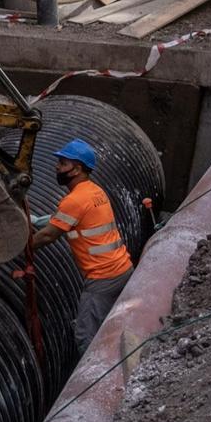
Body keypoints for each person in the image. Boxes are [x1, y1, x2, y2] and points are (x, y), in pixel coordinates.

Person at [28, 139, 133, 349]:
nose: (57, 166)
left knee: (86, 338)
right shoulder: (95, 191)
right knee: (108, 329)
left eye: (63, 163)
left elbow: (49, 236)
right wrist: (35, 220)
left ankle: (91, 381)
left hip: (102, 278)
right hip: (123, 270)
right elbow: (68, 218)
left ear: (76, 169)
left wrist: (21, 248)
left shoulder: (74, 200)